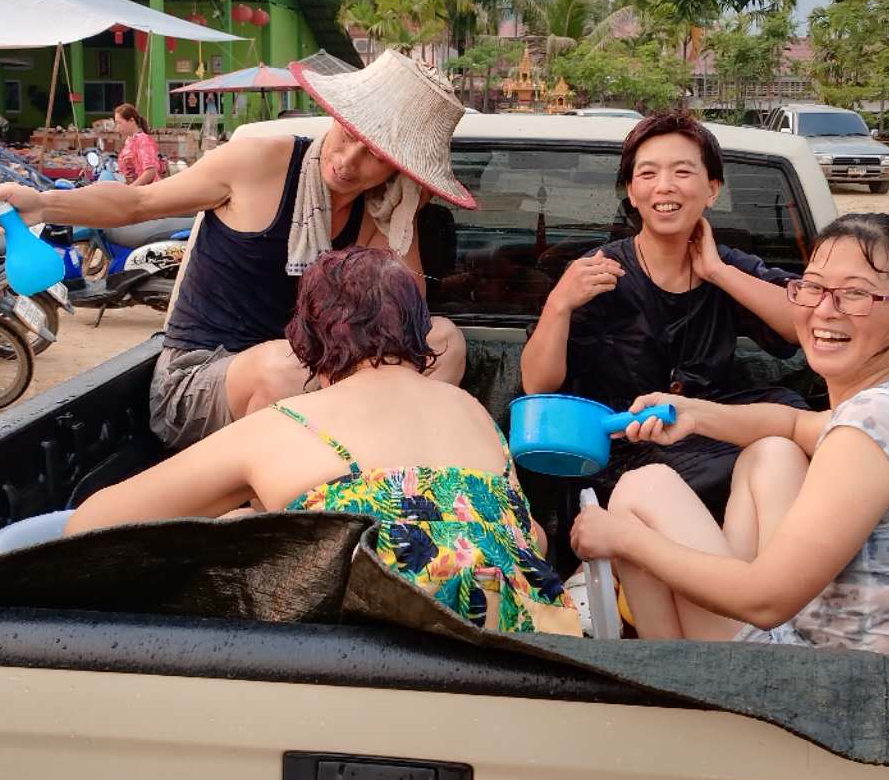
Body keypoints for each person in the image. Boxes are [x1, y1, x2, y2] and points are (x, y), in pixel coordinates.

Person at [0, 49, 473, 448]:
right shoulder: (258, 163)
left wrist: (405, 212)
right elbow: (138, 202)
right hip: (200, 380)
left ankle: (391, 467)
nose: (349, 160)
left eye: (378, 156)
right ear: (336, 115)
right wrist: (42, 203)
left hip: (311, 378)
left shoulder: (378, 214)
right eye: (350, 134)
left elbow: (403, 323)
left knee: (445, 341)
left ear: (397, 170)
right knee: (286, 367)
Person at [64, 247, 577, 634]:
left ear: (306, 338)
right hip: (522, 657)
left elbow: (87, 529)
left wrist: (245, 529)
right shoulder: (472, 412)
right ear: (420, 331)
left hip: (365, 674)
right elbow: (531, 539)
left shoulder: (289, 424)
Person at [570, 214, 889, 654]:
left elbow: (765, 602)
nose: (825, 310)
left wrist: (621, 539)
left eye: (855, 294)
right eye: (813, 287)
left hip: (828, 679)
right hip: (840, 647)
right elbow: (794, 423)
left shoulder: (868, 431)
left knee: (641, 488)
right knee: (773, 451)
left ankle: (672, 675)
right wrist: (694, 414)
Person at [520, 111, 806, 534]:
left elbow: (804, 326)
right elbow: (537, 385)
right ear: (632, 192)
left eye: (682, 172)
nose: (665, 186)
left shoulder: (726, 266)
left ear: (712, 190)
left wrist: (718, 273)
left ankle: (754, 569)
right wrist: (559, 304)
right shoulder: (599, 272)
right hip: (624, 452)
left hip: (710, 436)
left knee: (788, 429)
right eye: (648, 173)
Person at [113, 103, 160, 186]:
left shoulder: (143, 140)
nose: (117, 127)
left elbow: (151, 170)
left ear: (131, 121)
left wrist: (132, 187)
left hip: (145, 190)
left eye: (119, 123)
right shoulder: (129, 141)